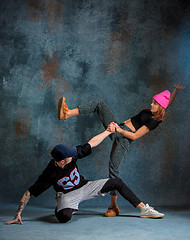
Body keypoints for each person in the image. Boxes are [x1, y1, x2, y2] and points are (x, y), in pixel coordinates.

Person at [57, 83, 185, 217]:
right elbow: (167, 103)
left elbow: (134, 136)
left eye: (155, 103)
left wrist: (119, 130)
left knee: (113, 169)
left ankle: (113, 206)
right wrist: (175, 90)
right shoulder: (150, 111)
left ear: (160, 107)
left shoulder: (154, 121)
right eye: (152, 101)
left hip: (124, 137)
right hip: (120, 128)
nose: (151, 104)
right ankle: (67, 113)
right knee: (99, 104)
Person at [5, 127, 164, 225]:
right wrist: (18, 213)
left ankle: (144, 210)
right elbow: (29, 192)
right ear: (60, 161)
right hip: (67, 195)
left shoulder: (71, 155)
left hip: (85, 186)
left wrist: (107, 131)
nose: (71, 157)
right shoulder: (49, 173)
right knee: (64, 218)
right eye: (67, 158)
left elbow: (91, 143)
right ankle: (64, 208)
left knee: (117, 182)